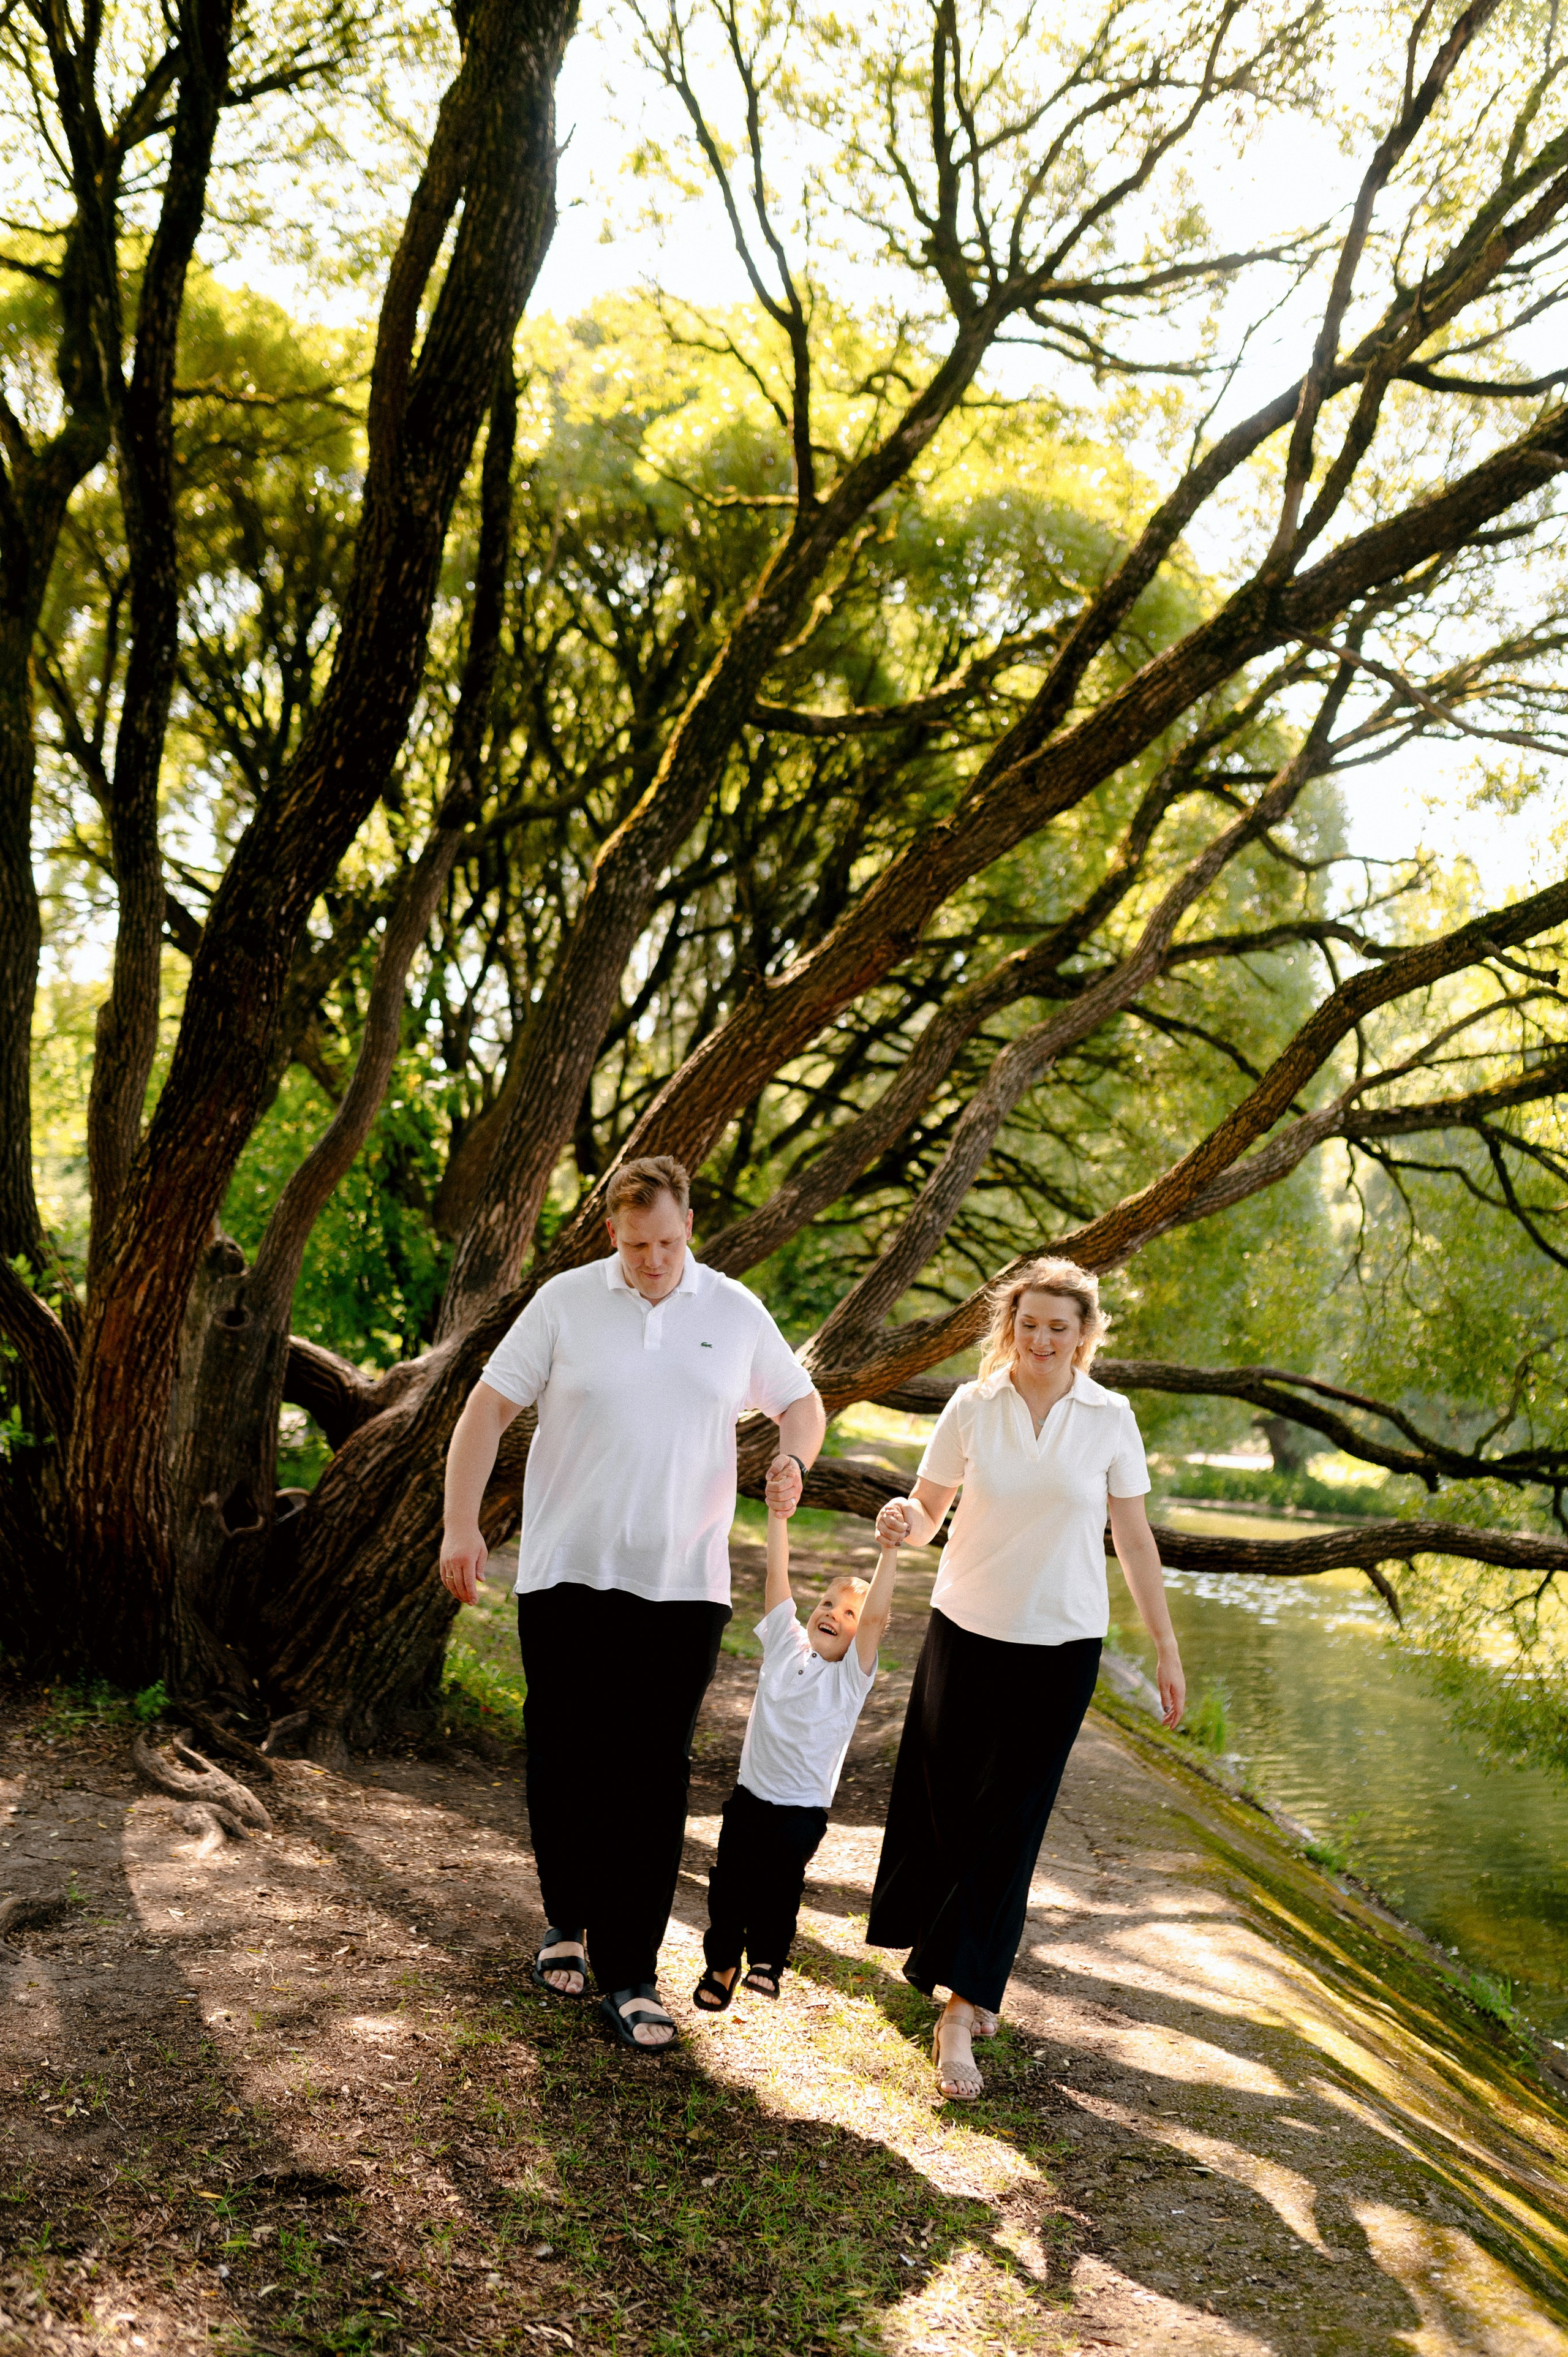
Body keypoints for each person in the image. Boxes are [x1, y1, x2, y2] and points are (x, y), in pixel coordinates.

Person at [439, 1154, 826, 2053]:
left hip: (684, 1582)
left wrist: (793, 1459)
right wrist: (463, 1526)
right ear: (611, 1229)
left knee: (654, 1773)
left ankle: (632, 1972)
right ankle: (564, 1921)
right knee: (566, 1754)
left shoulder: (733, 1312)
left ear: (689, 1223)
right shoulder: (566, 1301)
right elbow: (484, 1413)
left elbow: (802, 1405)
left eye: (667, 1240)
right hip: (568, 1568)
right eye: (636, 1241)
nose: (653, 1258)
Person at [866, 1255, 1185, 2102]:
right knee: (950, 1810)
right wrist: (906, 1516)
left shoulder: (1110, 1417)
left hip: (1062, 1644)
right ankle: (953, 1955)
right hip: (965, 1628)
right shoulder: (972, 1406)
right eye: (1031, 1323)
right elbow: (930, 1511)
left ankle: (962, 2009)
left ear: (1085, 1336)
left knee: (1010, 1827)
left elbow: (1135, 1537)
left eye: (1060, 1326)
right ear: (1011, 1326)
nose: (1043, 1339)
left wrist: (1165, 1645)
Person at [693, 1511, 897, 2013]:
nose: (834, 1614)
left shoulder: (851, 1678)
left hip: (801, 1812)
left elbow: (875, 1617)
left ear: (864, 1633)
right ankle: (722, 1964)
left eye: (850, 1614)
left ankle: (767, 1962)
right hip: (749, 1798)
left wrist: (890, 1550)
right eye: (828, 1603)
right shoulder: (786, 1644)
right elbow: (775, 1573)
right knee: (729, 1887)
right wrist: (778, 1514)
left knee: (778, 1885)